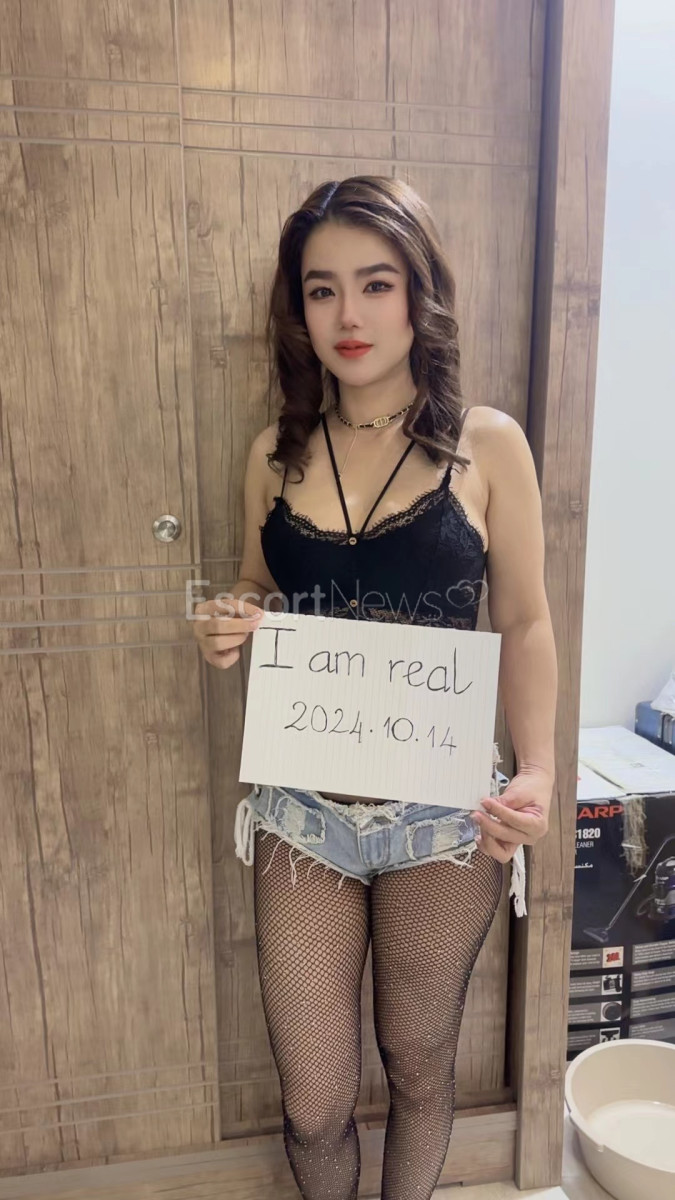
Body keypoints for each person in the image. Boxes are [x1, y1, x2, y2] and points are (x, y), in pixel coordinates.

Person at [192, 176, 557, 1200]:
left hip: (445, 818)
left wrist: (538, 770)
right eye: (322, 290)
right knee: (313, 1100)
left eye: (376, 283)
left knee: (420, 1066)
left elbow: (525, 621)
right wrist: (230, 621)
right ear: (298, 308)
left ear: (418, 293)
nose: (348, 315)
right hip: (301, 814)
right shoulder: (272, 454)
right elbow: (258, 587)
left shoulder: (487, 445)